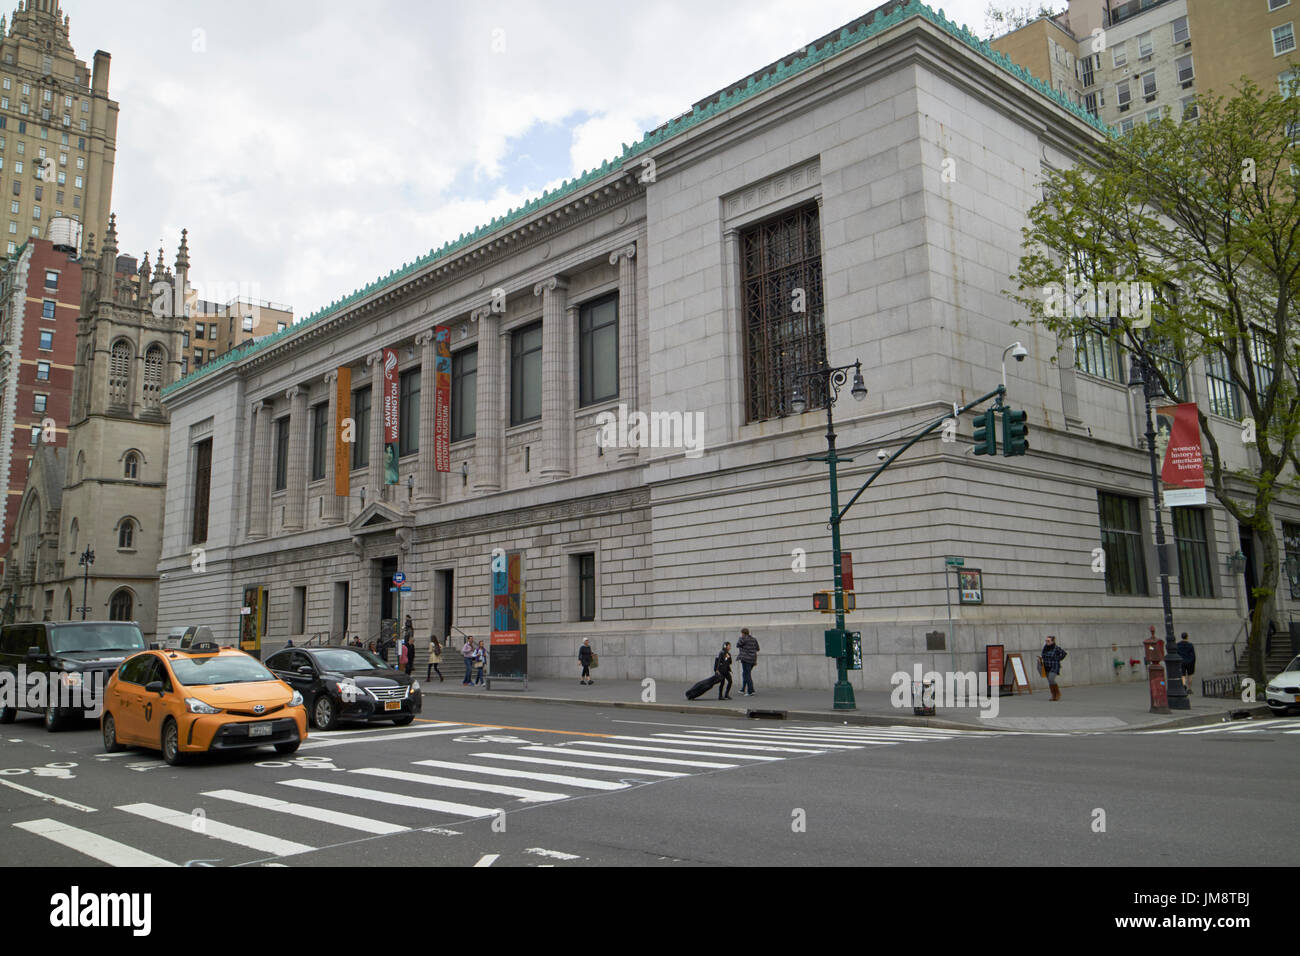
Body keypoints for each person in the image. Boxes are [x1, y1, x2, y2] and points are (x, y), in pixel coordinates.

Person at [1040, 635, 1066, 701]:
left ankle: (1057, 694)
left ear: (1052, 641)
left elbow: (1064, 653)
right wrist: (1040, 659)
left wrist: (1058, 659)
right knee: (1050, 681)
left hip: (1054, 666)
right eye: (1046, 641)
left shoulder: (1056, 648)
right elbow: (1043, 655)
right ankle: (1053, 695)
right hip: (1046, 666)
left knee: (1051, 679)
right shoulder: (1045, 648)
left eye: (1048, 641)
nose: (1047, 642)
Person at [736, 628, 760, 697]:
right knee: (745, 674)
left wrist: (740, 638)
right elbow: (758, 648)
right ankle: (743, 689)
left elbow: (737, 645)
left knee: (747, 675)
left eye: (742, 633)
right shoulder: (754, 639)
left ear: (743, 633)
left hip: (746, 659)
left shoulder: (743, 638)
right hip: (753, 660)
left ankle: (751, 691)